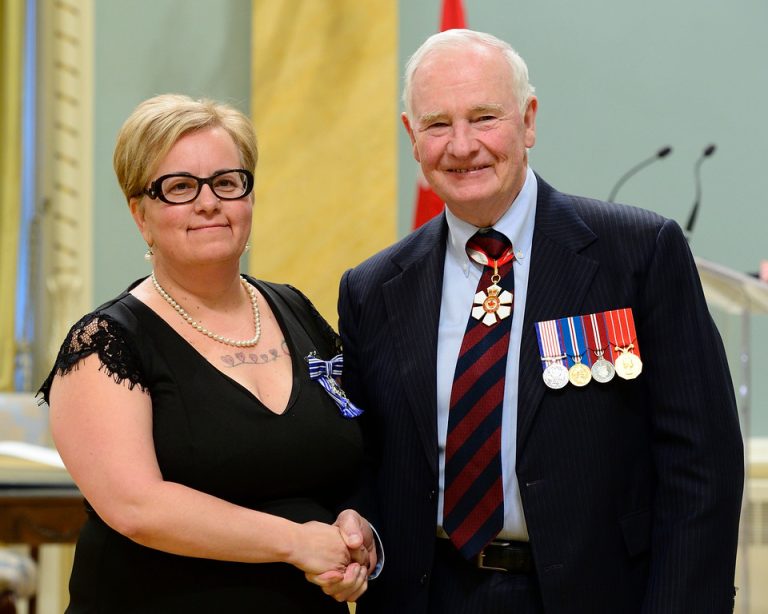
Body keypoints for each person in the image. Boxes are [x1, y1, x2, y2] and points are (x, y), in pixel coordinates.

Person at [338, 29, 744, 613]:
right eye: (436, 124)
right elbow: (366, 461)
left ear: (528, 121)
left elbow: (701, 462)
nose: (461, 145)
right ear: (411, 135)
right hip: (431, 596)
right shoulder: (373, 289)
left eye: (483, 117)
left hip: (599, 596)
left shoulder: (636, 253)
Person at [39, 93, 376, 613]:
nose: (208, 202)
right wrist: (294, 542)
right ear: (140, 215)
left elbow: (355, 443)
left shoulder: (296, 309)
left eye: (226, 182)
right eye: (178, 187)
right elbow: (138, 507)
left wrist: (355, 531)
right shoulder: (105, 343)